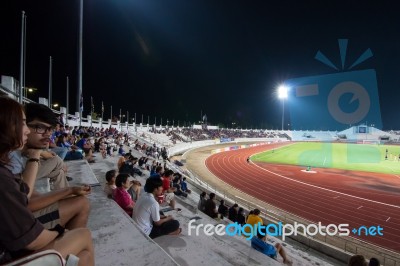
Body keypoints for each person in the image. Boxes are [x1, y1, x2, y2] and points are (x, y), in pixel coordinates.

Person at [0, 96, 94, 265]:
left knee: (83, 256)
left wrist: (70, 190)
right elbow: (26, 204)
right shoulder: (6, 168)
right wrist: (61, 232)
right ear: (7, 128)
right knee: (82, 235)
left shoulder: (5, 165)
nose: (48, 134)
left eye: (50, 129)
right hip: (10, 251)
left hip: (14, 237)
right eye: (38, 127)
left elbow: (24, 195)